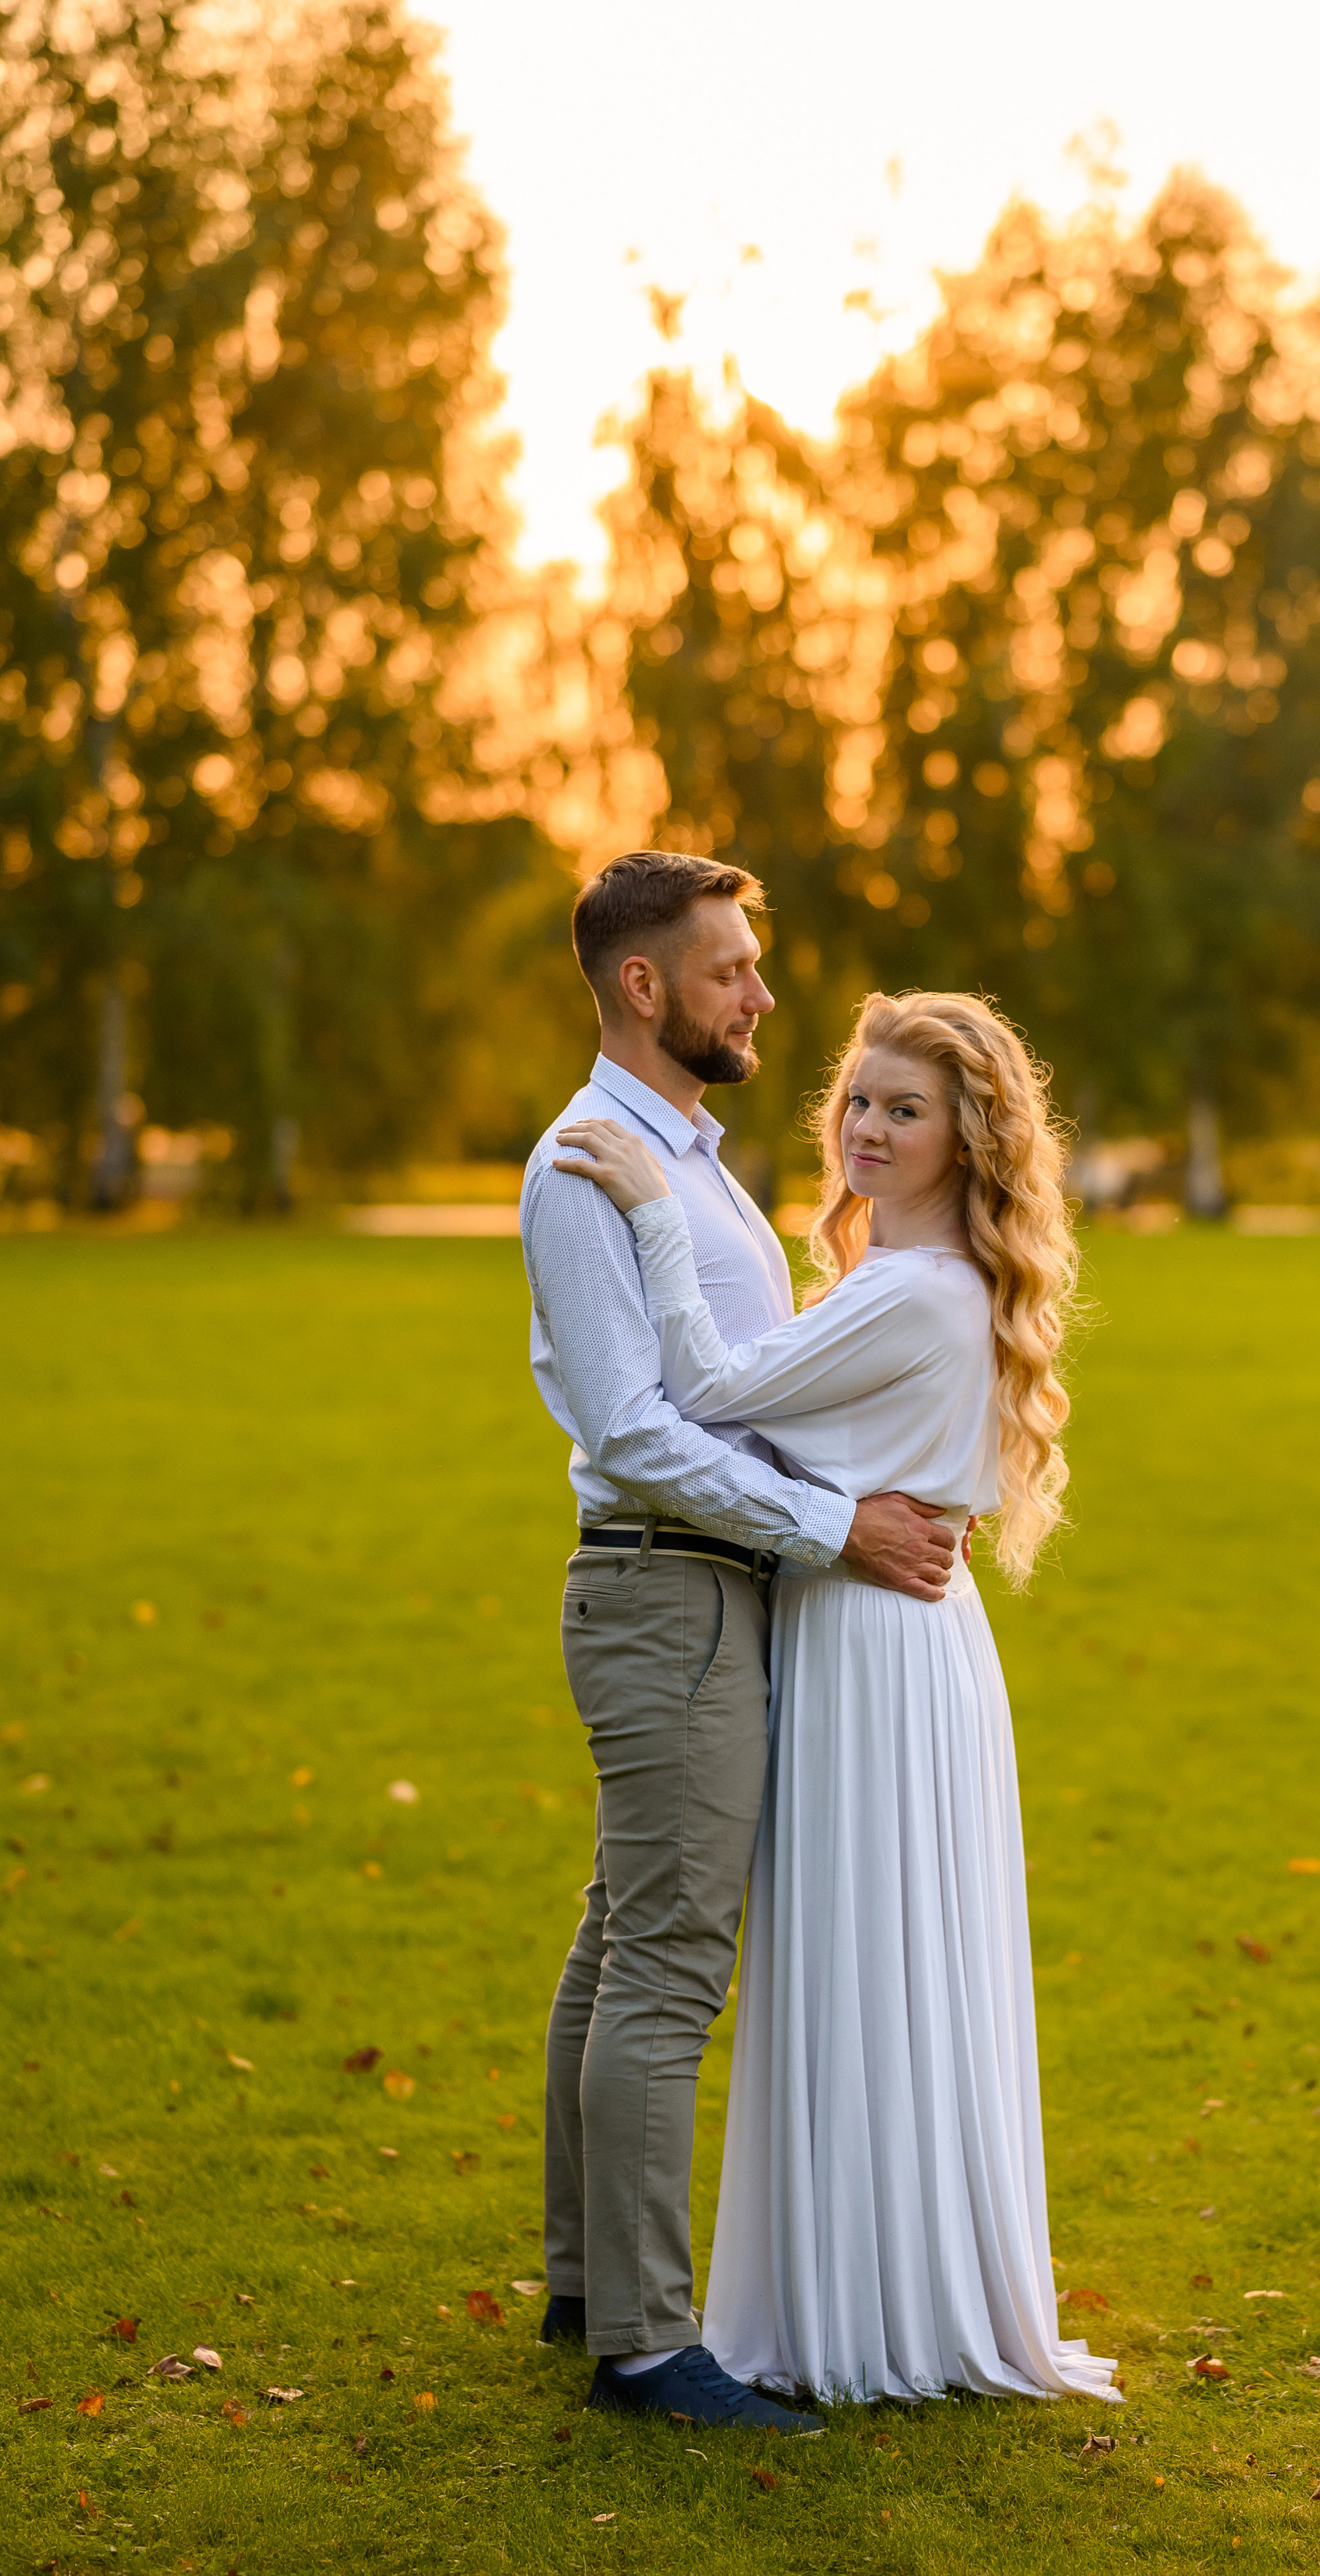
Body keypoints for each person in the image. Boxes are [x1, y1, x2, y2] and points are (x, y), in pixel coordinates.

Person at [554, 989, 1121, 2407]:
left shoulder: (918, 1290)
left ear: (967, 1136)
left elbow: (711, 1383)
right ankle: (832, 2276)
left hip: (872, 1636)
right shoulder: (908, 1280)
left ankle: (848, 2301)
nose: (867, 1127)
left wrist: (661, 1217)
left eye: (904, 1108)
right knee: (867, 1957)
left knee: (860, 1950)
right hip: (890, 1624)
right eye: (858, 1100)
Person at [520, 852, 959, 2437]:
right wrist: (835, 1528)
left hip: (704, 1584)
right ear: (643, 985)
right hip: (667, 1584)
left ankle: (583, 2281)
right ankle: (643, 2345)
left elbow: (746, 1383)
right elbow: (635, 1431)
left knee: (617, 1931)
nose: (762, 995)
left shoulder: (689, 1160)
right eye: (730, 970)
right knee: (666, 1960)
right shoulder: (588, 1163)